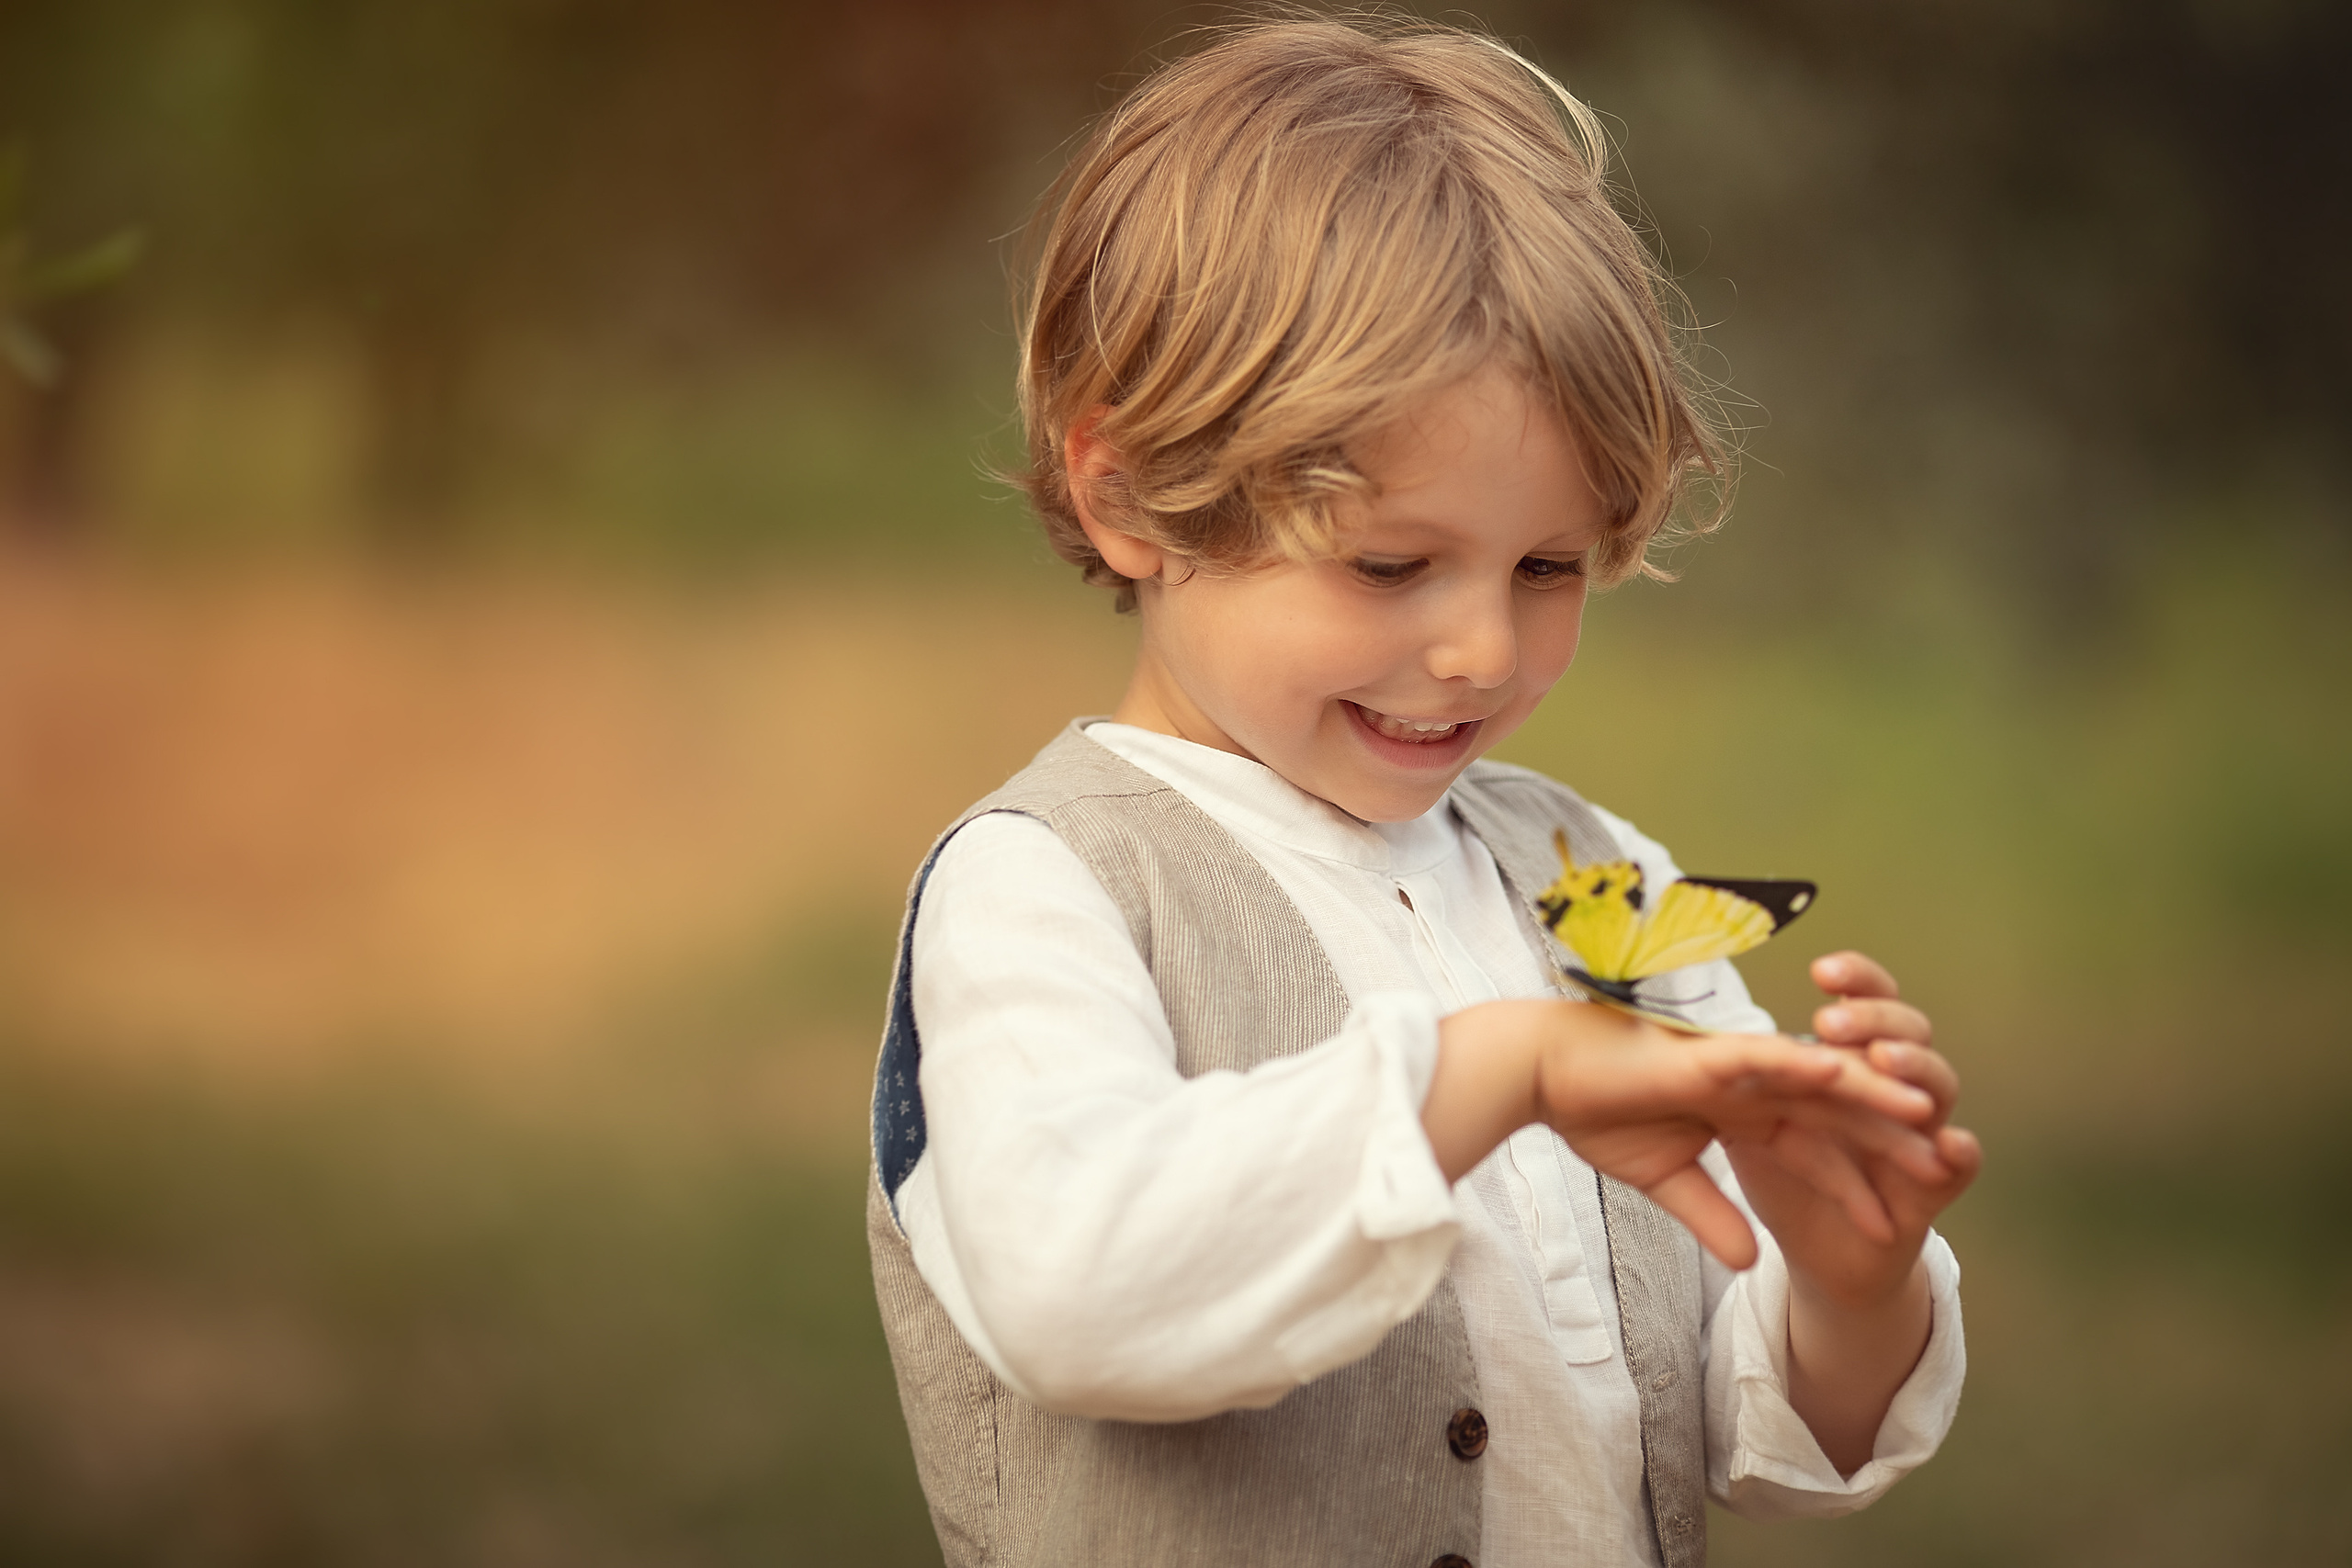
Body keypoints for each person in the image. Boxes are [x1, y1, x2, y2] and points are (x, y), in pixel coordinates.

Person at [865, 15, 1980, 1567]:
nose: (1480, 651)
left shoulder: (1595, 881)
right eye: (1390, 565)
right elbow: (1075, 1290)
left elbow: (1744, 1424)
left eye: (1548, 567)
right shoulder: (1042, 886)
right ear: (1129, 497)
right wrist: (1503, 1070)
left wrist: (1850, 1280)